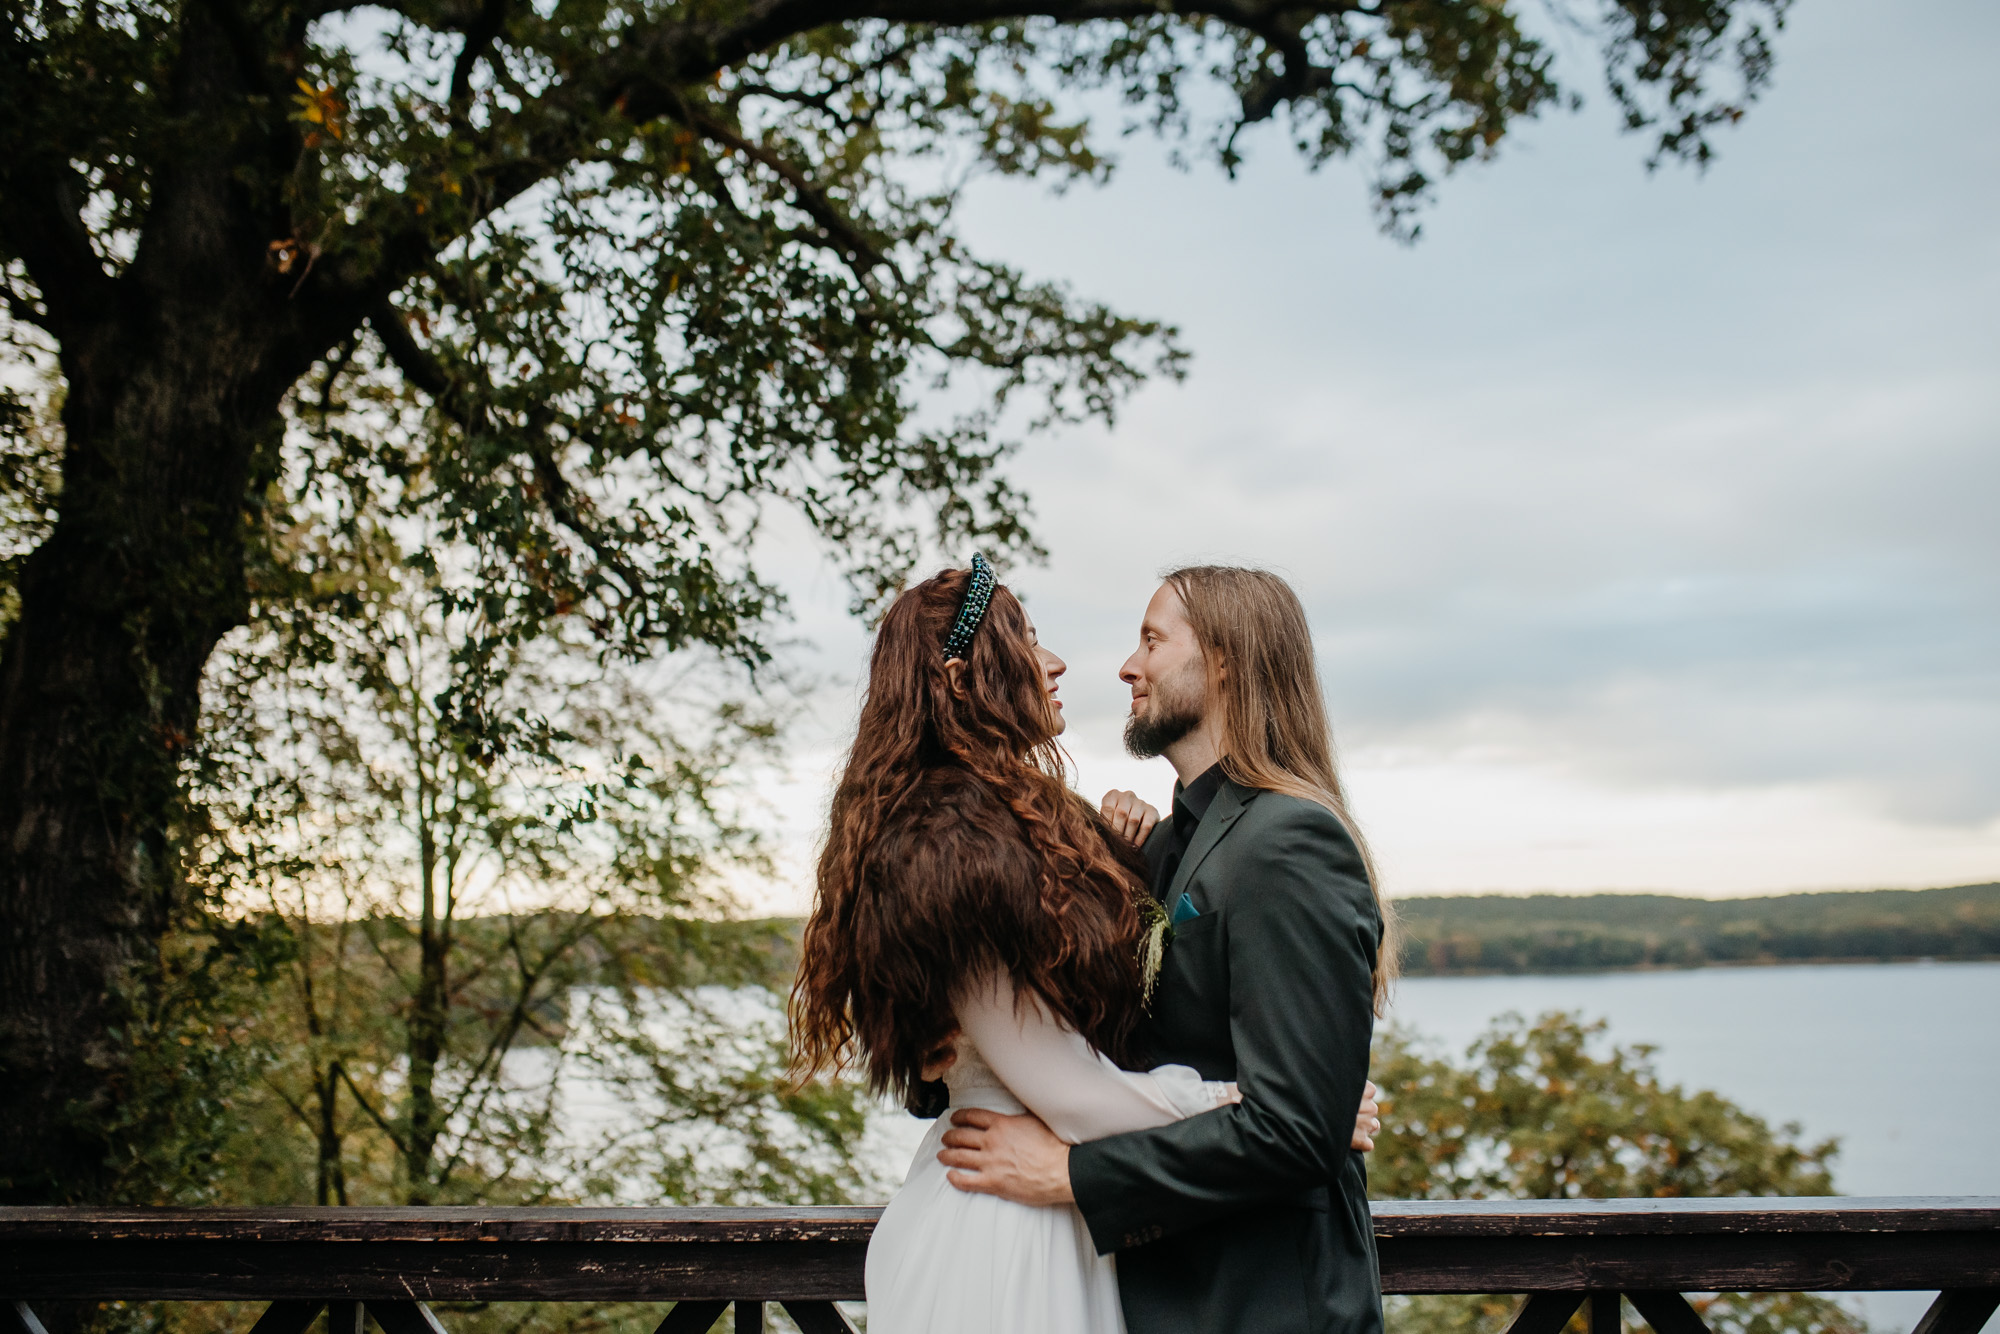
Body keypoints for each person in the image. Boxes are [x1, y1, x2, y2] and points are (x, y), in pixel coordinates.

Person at [790, 557, 1381, 1334]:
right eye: (1029, 640)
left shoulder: (1280, 840)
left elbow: (1290, 1125)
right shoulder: (1104, 849)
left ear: (1228, 662)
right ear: (970, 676)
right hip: (1062, 1245)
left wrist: (1073, 1170)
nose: (1119, 665)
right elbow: (1040, 1047)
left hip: (1256, 1299)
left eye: (1151, 641)